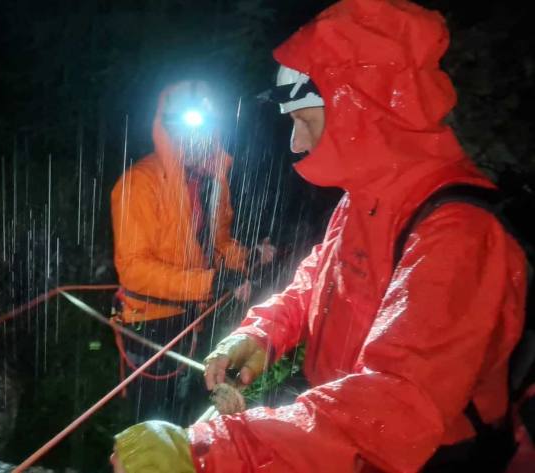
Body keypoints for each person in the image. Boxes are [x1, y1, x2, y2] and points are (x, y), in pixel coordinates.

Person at [111, 0, 528, 471]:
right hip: (339, 427)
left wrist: (210, 448)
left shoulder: (457, 232)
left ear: (359, 108)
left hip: (417, 457)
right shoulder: (365, 200)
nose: (296, 144)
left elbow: (394, 403)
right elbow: (319, 281)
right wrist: (264, 332)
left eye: (302, 122)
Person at [110, 80, 276, 423]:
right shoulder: (140, 183)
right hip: (150, 323)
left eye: (209, 129)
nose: (201, 140)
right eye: (188, 130)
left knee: (185, 412)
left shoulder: (212, 182)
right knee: (150, 421)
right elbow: (134, 269)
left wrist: (249, 257)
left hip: (194, 317)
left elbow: (218, 245)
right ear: (169, 131)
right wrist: (210, 283)